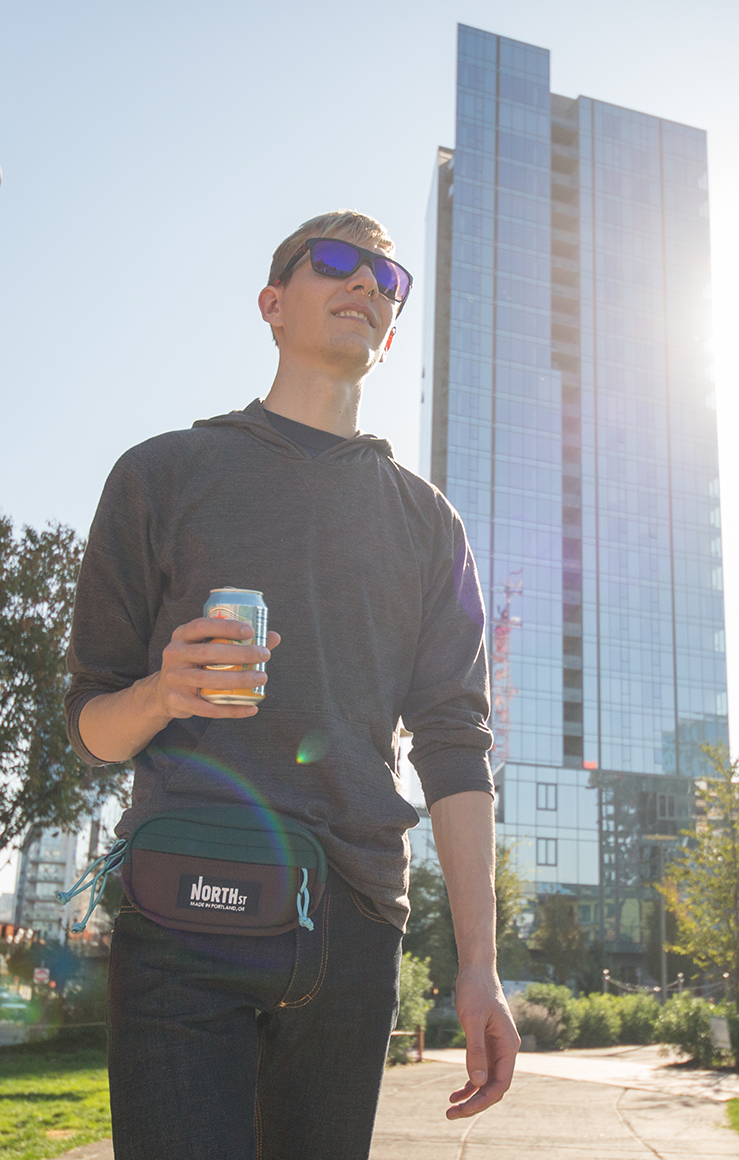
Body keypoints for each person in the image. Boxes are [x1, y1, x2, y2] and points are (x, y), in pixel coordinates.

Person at [65, 210, 520, 1160]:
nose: (366, 284)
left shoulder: (429, 523)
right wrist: (162, 692)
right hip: (182, 903)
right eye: (339, 264)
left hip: (351, 925)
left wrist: (478, 966)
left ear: (390, 334)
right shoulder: (162, 474)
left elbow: (456, 746)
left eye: (387, 281)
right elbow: (94, 726)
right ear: (274, 304)